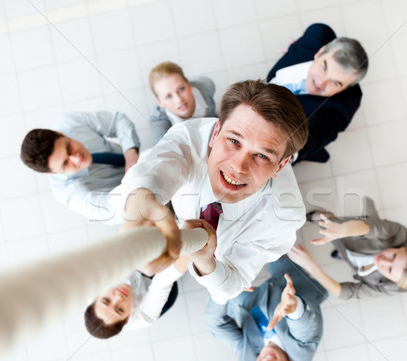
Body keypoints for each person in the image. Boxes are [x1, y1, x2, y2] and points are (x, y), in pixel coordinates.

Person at [111, 80, 309, 304]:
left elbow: (231, 286)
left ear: (280, 166)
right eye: (234, 141)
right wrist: (140, 210)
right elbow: (153, 171)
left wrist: (206, 261)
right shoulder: (191, 137)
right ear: (216, 133)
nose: (238, 166)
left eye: (262, 156)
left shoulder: (284, 218)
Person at [204, 256, 327, 361]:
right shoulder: (303, 352)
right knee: (276, 250)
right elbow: (304, 326)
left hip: (251, 302)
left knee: (224, 284)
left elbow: (216, 325)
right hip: (289, 287)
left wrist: (222, 294)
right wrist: (292, 308)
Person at [288, 197, 407, 299]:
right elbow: (371, 228)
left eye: (390, 270)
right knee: (334, 226)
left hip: (356, 259)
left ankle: (345, 254)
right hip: (358, 233)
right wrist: (342, 230)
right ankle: (330, 218)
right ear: (402, 248)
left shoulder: (391, 287)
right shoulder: (403, 236)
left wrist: (311, 266)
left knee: (346, 253)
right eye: (393, 256)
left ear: (395, 281)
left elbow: (348, 292)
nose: (383, 260)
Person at [267, 23, 368, 163]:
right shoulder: (317, 34)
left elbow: (313, 135)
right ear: (319, 53)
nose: (321, 82)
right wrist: (294, 48)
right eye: (324, 68)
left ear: (345, 89)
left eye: (335, 83)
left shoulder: (341, 108)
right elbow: (321, 31)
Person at [20, 111, 140, 222]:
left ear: (61, 134)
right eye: (65, 163)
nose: (77, 159)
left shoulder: (69, 123)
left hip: (140, 162)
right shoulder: (67, 192)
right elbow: (110, 210)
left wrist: (130, 154)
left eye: (68, 148)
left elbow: (117, 121)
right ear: (53, 173)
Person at [84, 257, 188, 338]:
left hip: (130, 271)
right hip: (152, 287)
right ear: (127, 318)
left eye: (106, 300)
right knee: (168, 267)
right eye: (120, 309)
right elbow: (161, 282)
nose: (119, 298)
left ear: (96, 297)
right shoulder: (142, 317)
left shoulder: (93, 285)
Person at [148, 61, 217, 144]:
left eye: (181, 89)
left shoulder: (206, 87)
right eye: (168, 96)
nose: (179, 100)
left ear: (189, 84)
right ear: (159, 102)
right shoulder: (158, 122)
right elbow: (166, 152)